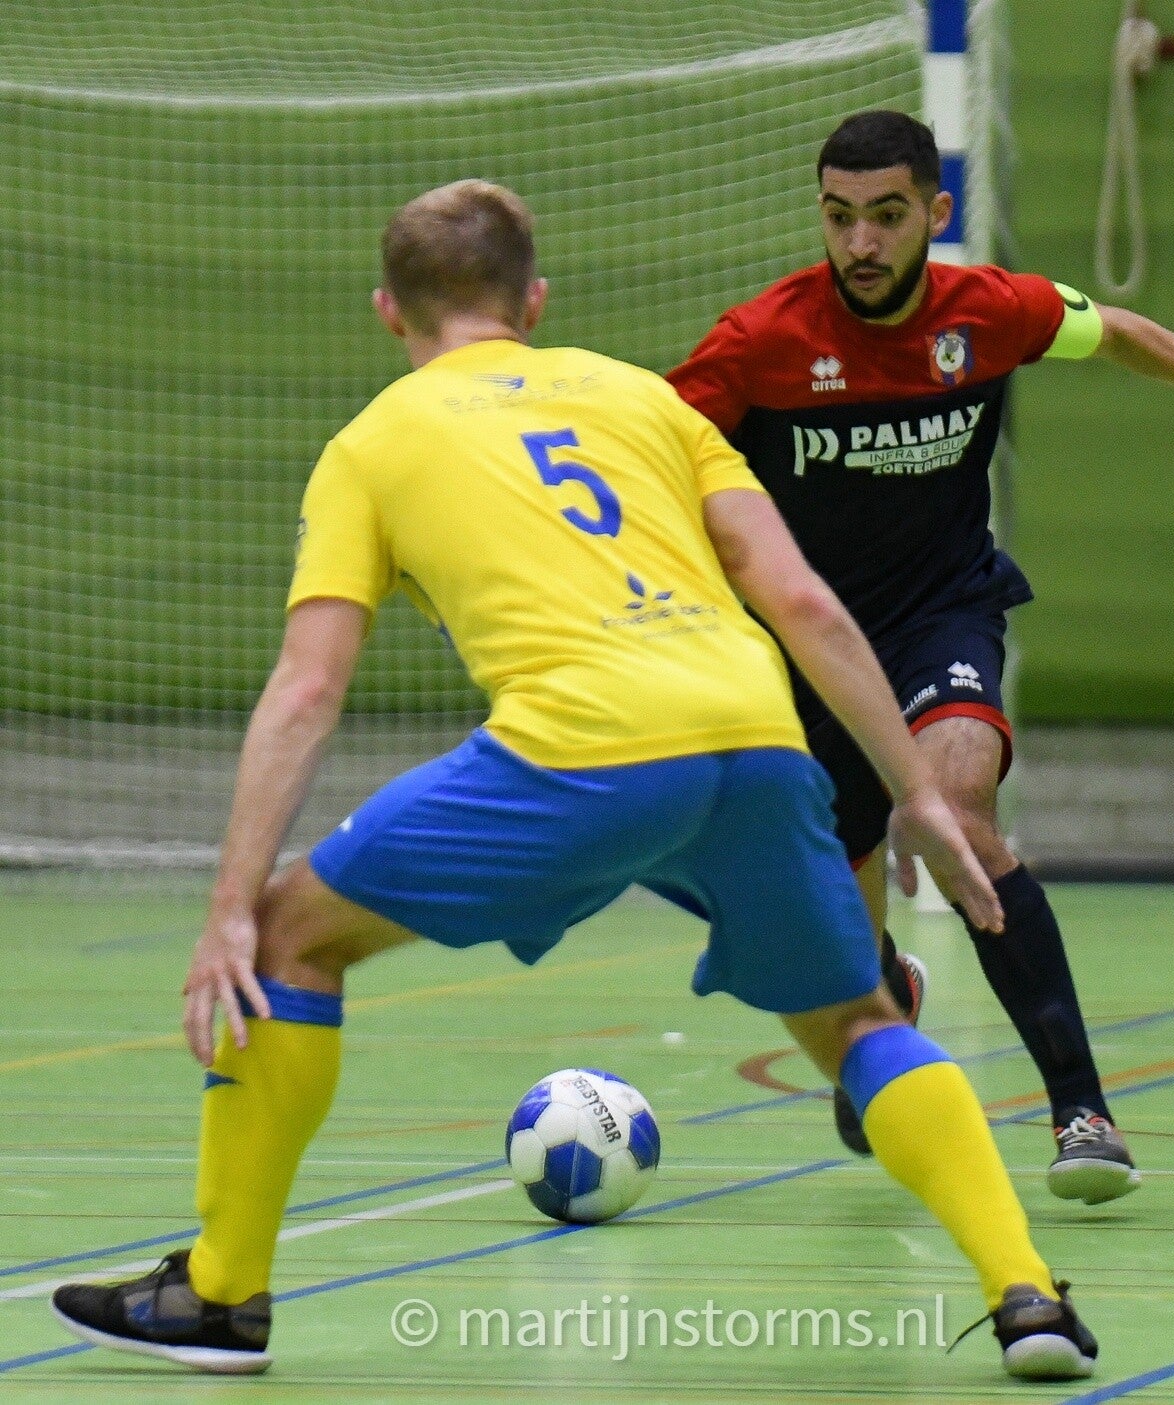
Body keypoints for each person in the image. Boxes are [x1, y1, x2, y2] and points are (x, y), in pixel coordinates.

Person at [51, 179, 1101, 1382]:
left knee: (290, 934)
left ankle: (221, 1294)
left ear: (388, 310)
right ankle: (1026, 1294)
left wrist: (226, 906)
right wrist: (912, 784)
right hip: (758, 737)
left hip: (584, 746)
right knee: (858, 1017)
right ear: (535, 301)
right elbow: (801, 599)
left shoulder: (372, 443)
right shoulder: (643, 399)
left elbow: (307, 688)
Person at [667, 110, 1174, 1202]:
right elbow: (649, 448)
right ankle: (883, 992)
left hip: (942, 615)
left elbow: (1118, 331)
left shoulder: (988, 312)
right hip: (806, 650)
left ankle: (1082, 1109)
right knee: (837, 931)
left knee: (958, 816)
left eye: (887, 216)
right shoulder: (759, 342)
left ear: (936, 212)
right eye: (839, 217)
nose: (861, 244)